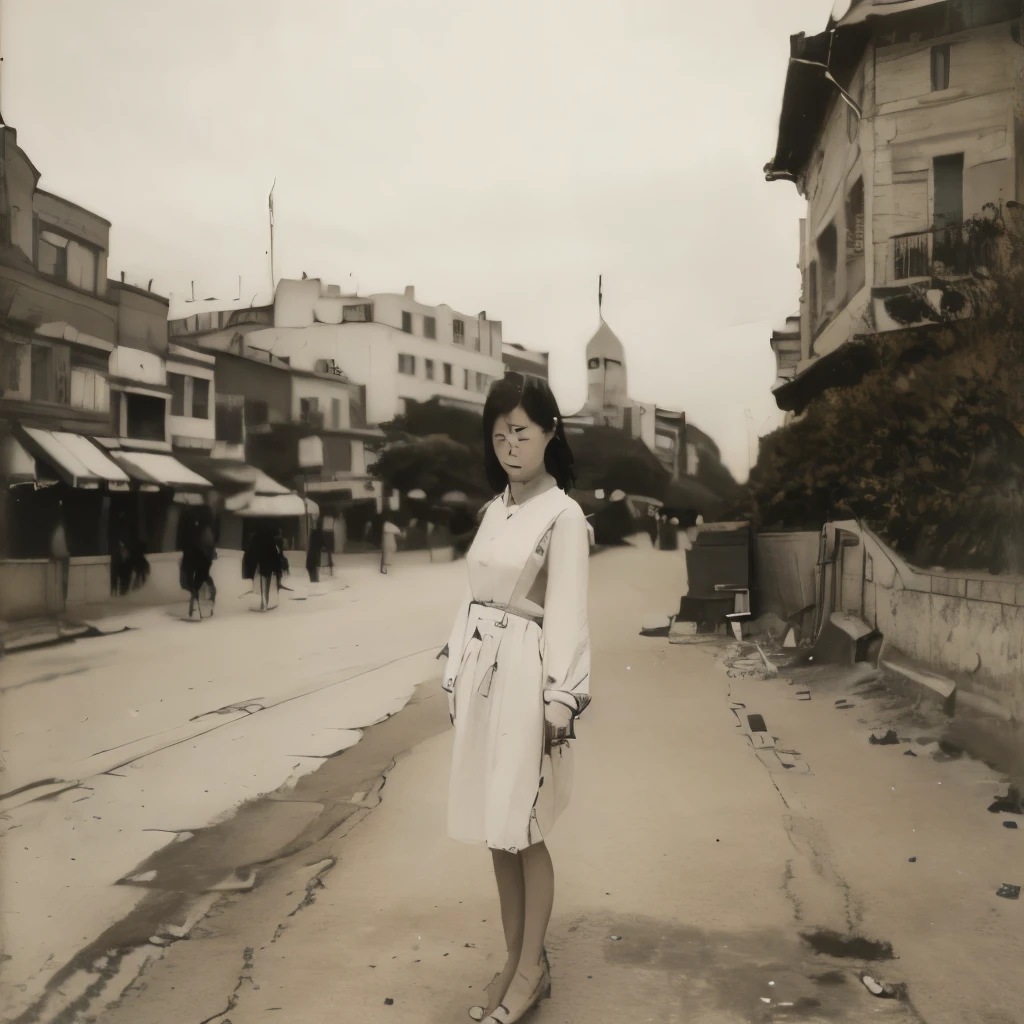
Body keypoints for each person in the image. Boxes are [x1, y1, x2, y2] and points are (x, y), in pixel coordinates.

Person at [439, 371, 590, 1023]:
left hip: (529, 680)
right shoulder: (493, 510)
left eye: (522, 431)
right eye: (499, 434)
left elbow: (568, 613)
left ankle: (531, 971)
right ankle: (515, 959)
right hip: (483, 677)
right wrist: (453, 664)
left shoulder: (563, 515)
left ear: (550, 433)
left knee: (523, 826)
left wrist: (563, 696)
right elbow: (474, 596)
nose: (509, 444)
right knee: (496, 830)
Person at [51, 510, 70, 615]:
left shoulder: (56, 532)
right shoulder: (63, 532)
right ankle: (63, 604)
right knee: (64, 582)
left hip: (58, 558)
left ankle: (62, 604)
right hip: (63, 558)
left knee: (60, 582)